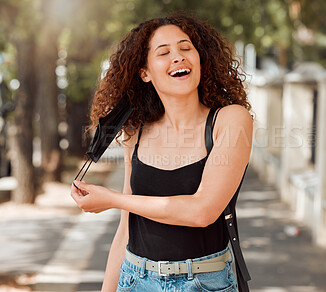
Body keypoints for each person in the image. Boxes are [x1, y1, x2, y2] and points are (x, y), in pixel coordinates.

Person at [70, 13, 252, 292]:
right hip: (134, 279)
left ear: (201, 59)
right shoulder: (136, 132)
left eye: (185, 48)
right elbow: (125, 233)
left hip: (204, 282)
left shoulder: (229, 121)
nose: (177, 57)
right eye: (164, 52)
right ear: (144, 72)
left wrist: (114, 200)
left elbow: (202, 211)